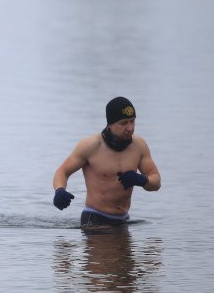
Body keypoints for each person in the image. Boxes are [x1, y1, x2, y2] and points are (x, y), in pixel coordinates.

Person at [52, 97, 161, 228]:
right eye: (123, 123)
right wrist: (59, 191)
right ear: (110, 124)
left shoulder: (139, 146)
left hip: (123, 219)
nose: (130, 128)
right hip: (95, 219)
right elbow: (62, 172)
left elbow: (156, 182)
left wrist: (142, 180)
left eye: (132, 122)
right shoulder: (91, 146)